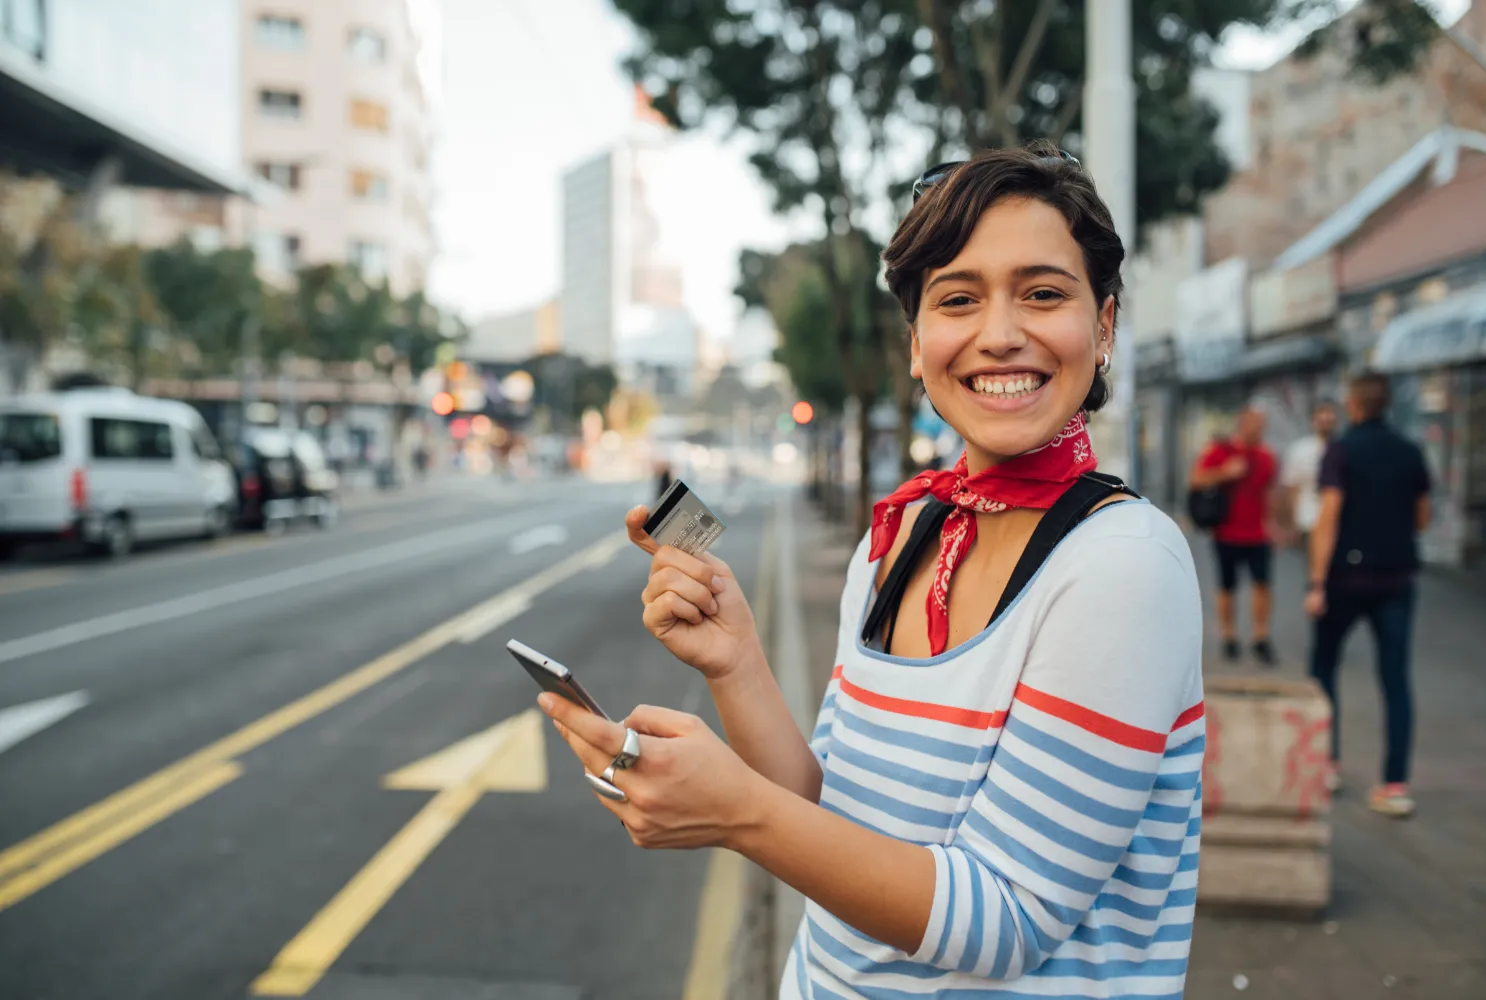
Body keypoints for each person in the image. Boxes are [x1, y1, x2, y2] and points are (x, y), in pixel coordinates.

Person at [538, 144, 1205, 998]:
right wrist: (737, 662)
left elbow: (1007, 922)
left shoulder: (1122, 564)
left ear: (1103, 327)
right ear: (918, 344)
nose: (1001, 334)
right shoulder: (902, 535)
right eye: (957, 299)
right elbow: (835, 823)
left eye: (1043, 293)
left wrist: (737, 812)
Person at [1305, 374, 1431, 818]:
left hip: (1344, 579)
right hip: (1397, 579)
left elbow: (1329, 516)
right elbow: (1423, 517)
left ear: (1354, 404)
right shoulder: (1411, 451)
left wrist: (1317, 583)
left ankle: (1327, 763)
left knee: (1324, 667)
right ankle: (1395, 784)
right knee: (1395, 679)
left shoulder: (1340, 450)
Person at [1189, 407, 1279, 664]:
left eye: (1262, 425)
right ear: (1242, 424)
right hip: (1227, 532)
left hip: (1258, 534)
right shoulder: (1221, 451)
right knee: (1227, 586)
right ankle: (1229, 635)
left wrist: (1276, 525)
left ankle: (1261, 637)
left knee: (1262, 585)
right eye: (1254, 424)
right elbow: (1195, 480)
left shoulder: (1266, 456)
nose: (1259, 429)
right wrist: (1225, 472)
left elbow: (1270, 492)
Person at [1281, 401, 1339, 544]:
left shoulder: (1344, 447)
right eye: (1321, 416)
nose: (1325, 420)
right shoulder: (1300, 449)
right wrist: (1292, 522)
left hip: (1337, 522)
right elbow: (1292, 488)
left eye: (1329, 416)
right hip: (1307, 521)